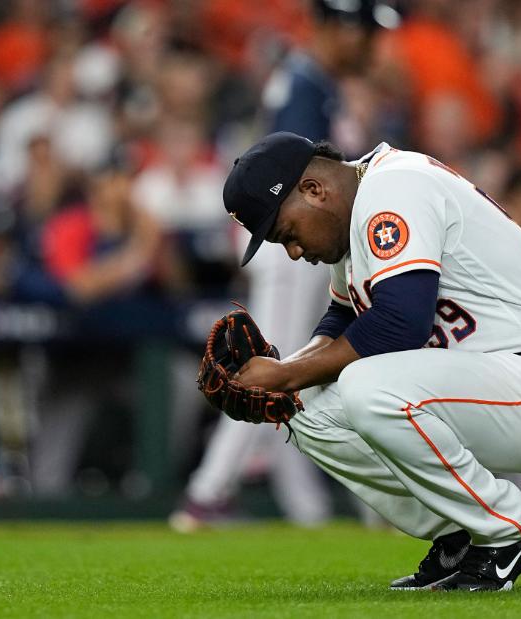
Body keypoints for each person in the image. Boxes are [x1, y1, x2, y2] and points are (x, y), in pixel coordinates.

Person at [220, 132, 521, 591]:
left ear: (313, 190)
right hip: (490, 384)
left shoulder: (394, 187)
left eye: (285, 233)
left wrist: (284, 373)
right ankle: (461, 537)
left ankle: (511, 529)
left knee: (367, 385)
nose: (294, 251)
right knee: (305, 407)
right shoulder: (358, 209)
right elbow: (343, 318)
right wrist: (281, 380)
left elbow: (400, 322)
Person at [170, 0, 397, 531]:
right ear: (334, 27)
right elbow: (295, 186)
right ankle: (206, 496)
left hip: (292, 244)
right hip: (290, 244)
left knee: (304, 378)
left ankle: (310, 512)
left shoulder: (312, 80)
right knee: (273, 369)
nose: (369, 43)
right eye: (362, 30)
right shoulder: (305, 84)